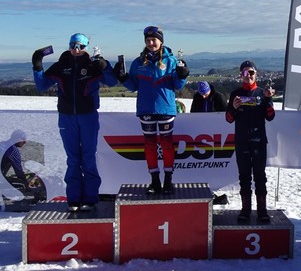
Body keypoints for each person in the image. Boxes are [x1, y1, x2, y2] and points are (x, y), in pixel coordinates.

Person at [33, 33, 118, 211]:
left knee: (88, 157)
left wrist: (104, 66)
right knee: (73, 158)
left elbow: (111, 81)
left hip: (88, 116)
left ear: (86, 47)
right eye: (72, 45)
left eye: (79, 46)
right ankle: (73, 199)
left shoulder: (92, 64)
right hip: (66, 116)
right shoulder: (61, 65)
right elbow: (42, 85)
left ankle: (90, 198)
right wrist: (37, 65)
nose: (76, 49)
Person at [114, 26, 189, 195]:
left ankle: (168, 180)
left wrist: (182, 75)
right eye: (148, 40)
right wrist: (123, 78)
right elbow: (133, 86)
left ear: (161, 41)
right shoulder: (138, 63)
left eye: (154, 40)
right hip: (146, 108)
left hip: (165, 109)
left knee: (167, 145)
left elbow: (177, 85)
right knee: (149, 146)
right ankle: (155, 180)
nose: (151, 43)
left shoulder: (171, 61)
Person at [225, 60, 275, 223]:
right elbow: (229, 119)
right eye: (245, 73)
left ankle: (262, 210)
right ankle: (245, 210)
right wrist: (233, 107)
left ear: (256, 74)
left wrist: (268, 100)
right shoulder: (235, 93)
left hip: (259, 141)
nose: (249, 75)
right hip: (242, 142)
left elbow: (270, 116)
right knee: (244, 177)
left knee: (260, 177)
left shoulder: (263, 92)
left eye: (251, 72)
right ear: (241, 75)